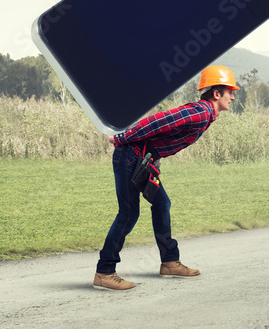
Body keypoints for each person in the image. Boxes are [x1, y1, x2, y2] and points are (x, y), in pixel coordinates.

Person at [92, 65, 239, 291]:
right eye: (230, 91)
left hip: (142, 159)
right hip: (130, 154)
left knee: (162, 203)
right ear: (217, 94)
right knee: (128, 213)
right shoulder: (201, 112)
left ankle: (170, 262)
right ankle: (105, 271)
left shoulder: (207, 114)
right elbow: (158, 122)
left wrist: (154, 158)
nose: (233, 96)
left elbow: (164, 135)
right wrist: (122, 138)